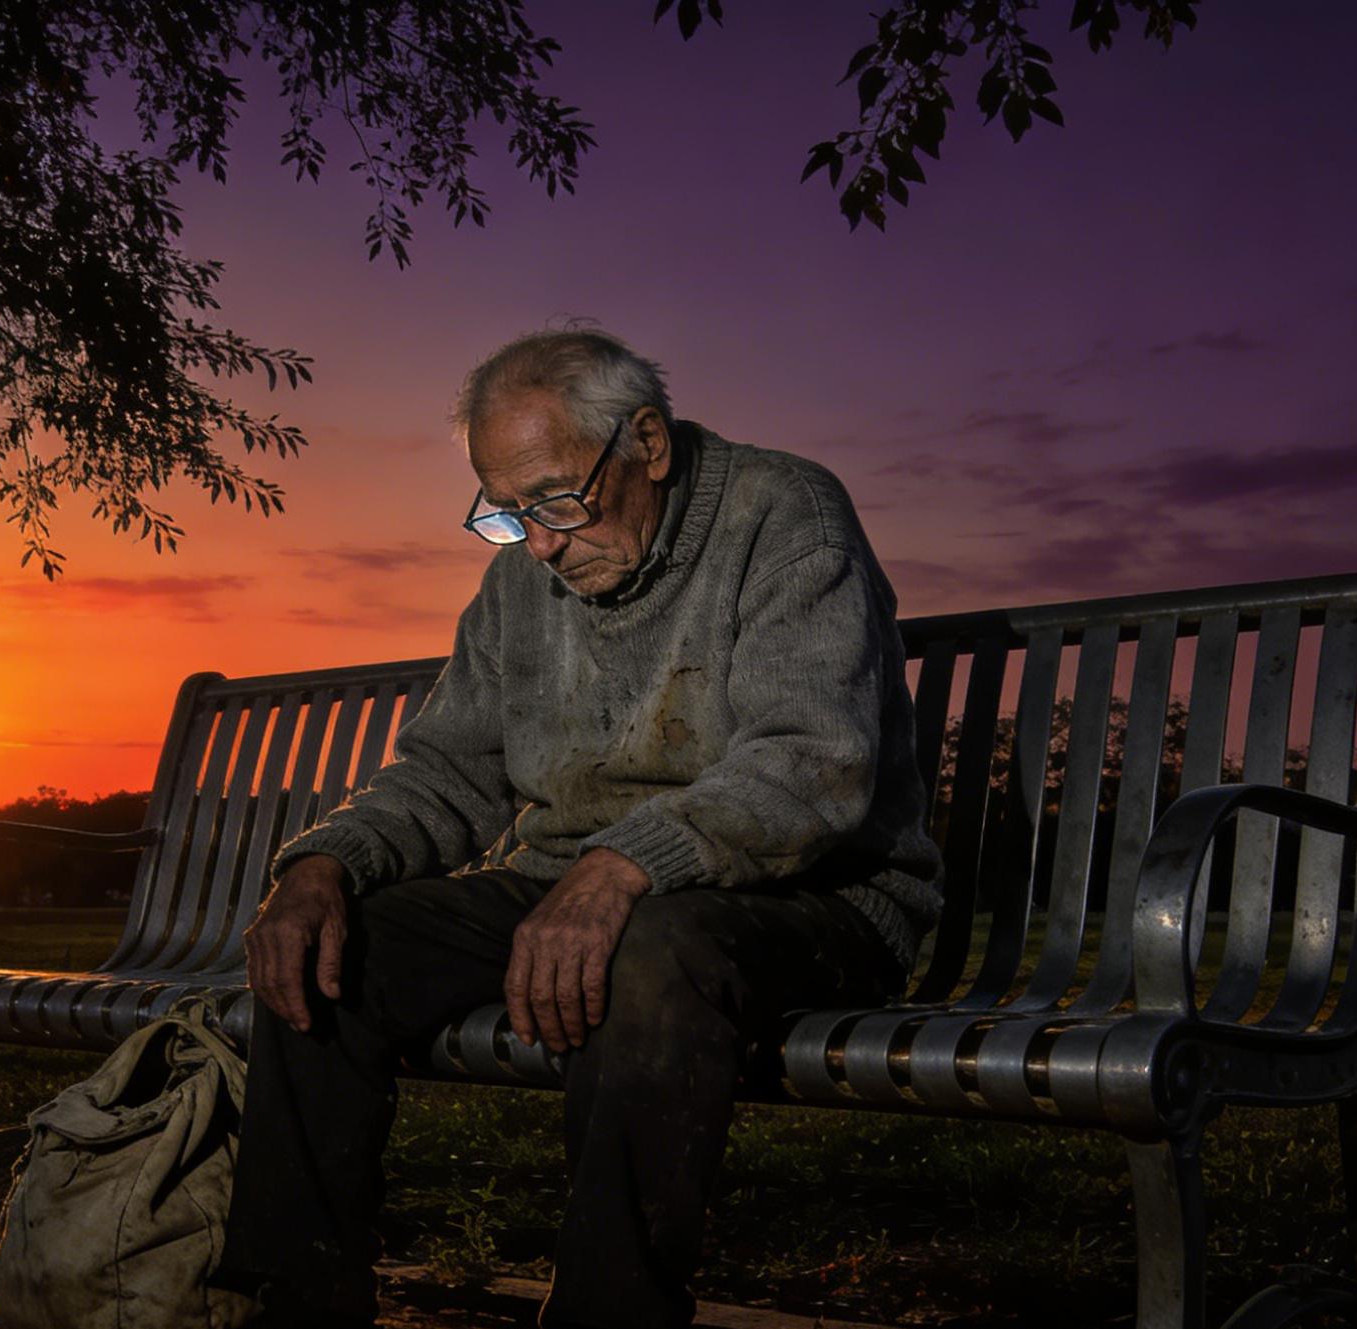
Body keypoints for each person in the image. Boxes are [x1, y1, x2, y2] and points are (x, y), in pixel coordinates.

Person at [213, 329, 942, 1329]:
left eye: (555, 499)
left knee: (649, 949)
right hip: (575, 888)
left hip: (810, 898)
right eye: (507, 514)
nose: (541, 543)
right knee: (334, 949)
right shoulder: (525, 575)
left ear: (648, 441)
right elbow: (448, 772)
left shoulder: (784, 512)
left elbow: (810, 765)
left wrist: (620, 871)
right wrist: (321, 866)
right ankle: (295, 1306)